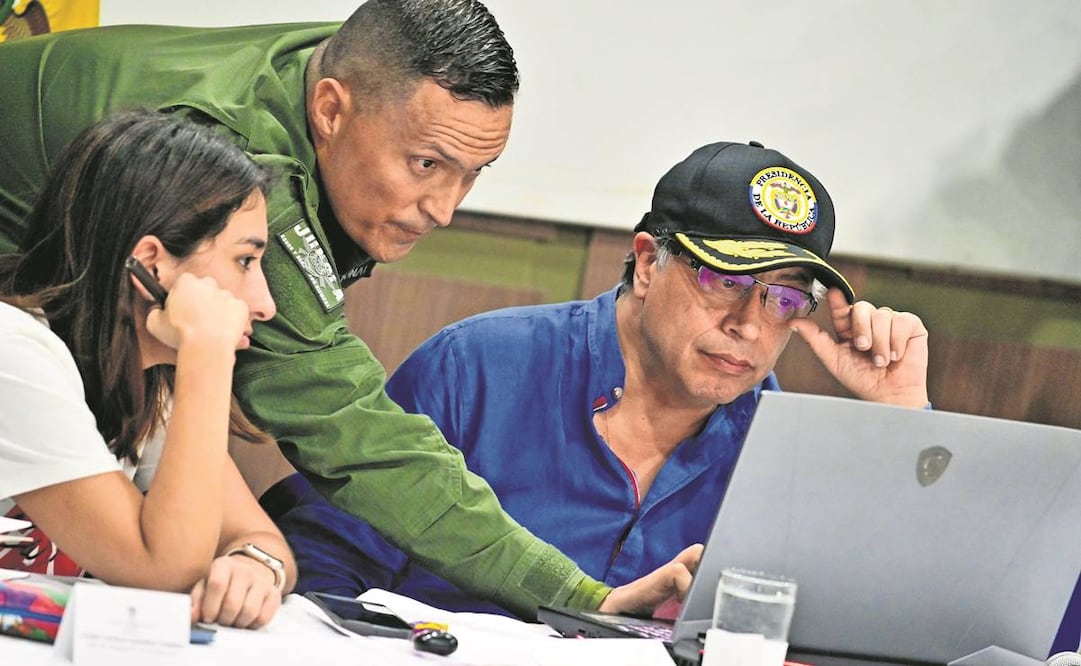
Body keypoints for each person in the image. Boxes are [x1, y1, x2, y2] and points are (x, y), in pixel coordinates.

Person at [0, 0, 692, 618]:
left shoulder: (367, 75)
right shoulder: (222, 167)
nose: (446, 210)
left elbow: (244, 529)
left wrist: (257, 558)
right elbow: (355, 437)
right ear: (329, 110)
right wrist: (577, 597)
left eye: (471, 174)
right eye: (426, 165)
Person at [264, 140, 931, 614]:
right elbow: (324, 563)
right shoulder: (478, 367)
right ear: (646, 264)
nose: (750, 326)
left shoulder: (781, 449)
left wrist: (903, 423)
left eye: (785, 299)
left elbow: (900, 618)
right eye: (725, 282)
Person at [0, 110, 298, 628]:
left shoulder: (140, 376)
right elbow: (163, 567)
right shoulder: (15, 353)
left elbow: (258, 535)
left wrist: (254, 565)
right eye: (245, 261)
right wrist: (208, 354)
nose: (265, 303)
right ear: (152, 264)